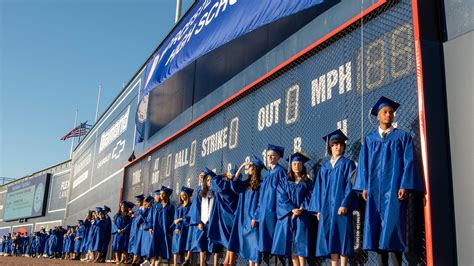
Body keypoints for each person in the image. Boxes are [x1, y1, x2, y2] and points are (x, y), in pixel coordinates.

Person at [353, 96, 423, 266]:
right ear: (378, 116)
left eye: (391, 112)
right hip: (374, 190)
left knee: (393, 229)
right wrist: (364, 187)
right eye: (385, 112)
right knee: (377, 231)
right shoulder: (370, 140)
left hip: (393, 190)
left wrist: (405, 185)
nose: (389, 115)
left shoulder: (402, 137)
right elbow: (363, 165)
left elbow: (409, 162)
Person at [309, 129, 356, 266]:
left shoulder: (348, 164)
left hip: (341, 206)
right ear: (330, 147)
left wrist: (345, 203)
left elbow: (350, 185)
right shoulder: (325, 168)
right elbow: (319, 189)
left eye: (341, 145)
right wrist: (318, 209)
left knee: (343, 236)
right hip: (326, 208)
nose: (338, 147)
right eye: (335, 145)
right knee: (331, 236)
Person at [272, 152, 314, 266]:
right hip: (289, 217)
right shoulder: (284, 181)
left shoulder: (307, 182)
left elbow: (311, 196)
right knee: (292, 246)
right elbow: (281, 197)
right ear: (291, 165)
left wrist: (301, 208)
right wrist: (292, 209)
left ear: (302, 166)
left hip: (302, 216)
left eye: (299, 164)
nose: (297, 166)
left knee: (301, 244)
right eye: (294, 164)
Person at [228, 156, 266, 265]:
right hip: (245, 220)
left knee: (255, 249)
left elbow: (261, 203)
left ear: (254, 170)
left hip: (254, 220)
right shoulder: (245, 184)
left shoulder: (261, 185)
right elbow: (234, 185)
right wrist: (241, 167)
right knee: (250, 249)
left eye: (250, 167)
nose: (247, 169)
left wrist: (256, 217)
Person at [258, 144, 287, 263]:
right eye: (268, 155)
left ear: (278, 157)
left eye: (273, 155)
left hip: (275, 211)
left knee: (276, 242)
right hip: (264, 212)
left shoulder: (281, 172)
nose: (270, 157)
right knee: (266, 243)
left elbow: (284, 192)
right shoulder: (266, 174)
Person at [208, 165, 240, 266]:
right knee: (232, 243)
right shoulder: (237, 187)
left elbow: (214, 180)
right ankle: (229, 262)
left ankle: (228, 263)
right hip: (234, 218)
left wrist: (224, 174)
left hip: (225, 219)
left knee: (230, 243)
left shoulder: (224, 186)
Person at [188, 168, 220, 266]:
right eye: (207, 180)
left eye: (211, 180)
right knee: (202, 245)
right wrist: (198, 222)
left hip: (213, 222)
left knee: (215, 245)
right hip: (203, 221)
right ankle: (202, 264)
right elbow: (196, 208)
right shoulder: (200, 193)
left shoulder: (217, 193)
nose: (209, 182)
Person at [149, 186, 175, 265]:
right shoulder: (155, 206)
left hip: (165, 230)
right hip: (156, 229)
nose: (161, 196)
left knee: (163, 246)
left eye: (163, 194)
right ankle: (153, 261)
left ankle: (158, 261)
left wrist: (170, 229)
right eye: (160, 194)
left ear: (167, 195)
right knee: (154, 245)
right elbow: (150, 217)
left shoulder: (170, 207)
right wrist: (150, 227)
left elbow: (172, 219)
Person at [171, 186, 194, 266]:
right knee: (176, 248)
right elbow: (175, 219)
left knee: (185, 248)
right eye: (181, 195)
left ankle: (185, 262)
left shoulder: (191, 206)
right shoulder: (178, 206)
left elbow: (190, 217)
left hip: (186, 229)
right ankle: (174, 264)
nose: (183, 197)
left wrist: (181, 219)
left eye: (184, 195)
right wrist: (177, 227)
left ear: (187, 195)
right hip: (178, 229)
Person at [129, 194, 146, 264]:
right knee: (135, 243)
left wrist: (136, 216)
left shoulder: (144, 208)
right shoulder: (138, 209)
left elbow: (142, 217)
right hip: (136, 229)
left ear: (142, 201)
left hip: (141, 229)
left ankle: (139, 259)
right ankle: (135, 258)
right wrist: (133, 215)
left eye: (138, 201)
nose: (138, 203)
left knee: (140, 243)